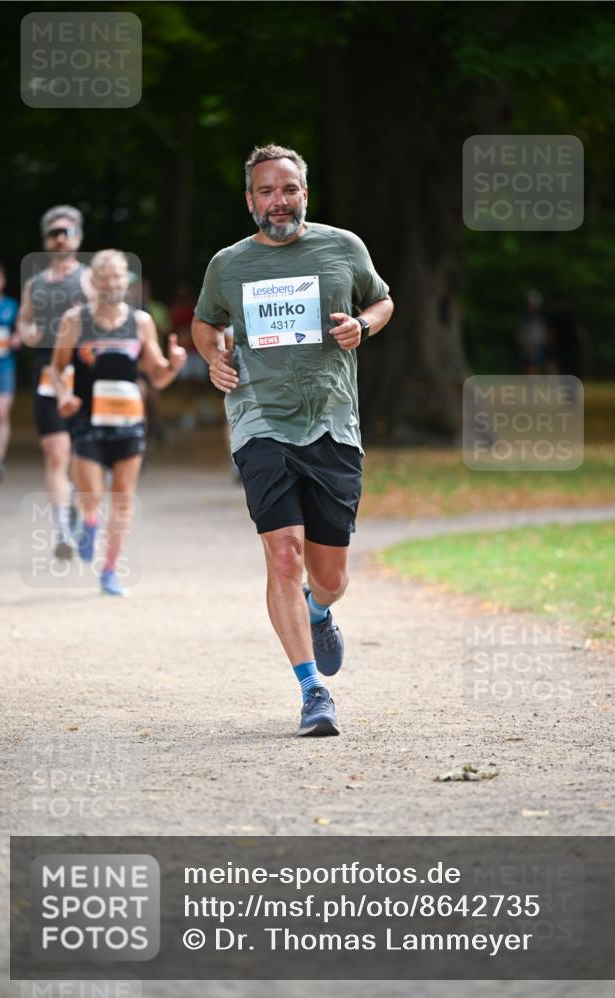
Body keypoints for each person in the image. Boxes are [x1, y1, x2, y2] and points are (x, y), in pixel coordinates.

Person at [192, 144, 393, 737]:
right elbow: (205, 323)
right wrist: (213, 356)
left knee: (329, 576)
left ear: (305, 193)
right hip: (260, 420)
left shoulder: (342, 247)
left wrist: (364, 324)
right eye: (265, 191)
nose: (277, 201)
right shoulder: (227, 264)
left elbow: (382, 300)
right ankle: (312, 691)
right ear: (249, 199)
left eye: (288, 189)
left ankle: (319, 609)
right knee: (284, 551)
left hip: (332, 420)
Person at [51, 249, 186, 596]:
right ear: (93, 282)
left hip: (128, 423)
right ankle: (90, 523)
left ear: (126, 282)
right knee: (92, 494)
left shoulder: (140, 322)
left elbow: (156, 376)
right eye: (105, 277)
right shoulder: (75, 320)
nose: (112, 283)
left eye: (118, 277)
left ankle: (109, 570)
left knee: (123, 498)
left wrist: (172, 365)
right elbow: (57, 367)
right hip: (87, 422)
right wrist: (64, 394)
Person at [16, 205, 94, 557]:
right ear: (46, 240)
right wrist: (29, 333)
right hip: (48, 372)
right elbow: (24, 322)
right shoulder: (34, 284)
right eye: (53, 233)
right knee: (56, 453)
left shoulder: (90, 279)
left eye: (66, 231)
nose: (60, 238)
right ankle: (62, 530)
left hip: (85, 373)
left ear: (77, 237)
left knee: (82, 454)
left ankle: (80, 509)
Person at [0, 261, 20, 480]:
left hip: (4, 366)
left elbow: (22, 330)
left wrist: (17, 339)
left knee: (0, 412)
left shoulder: (12, 306)